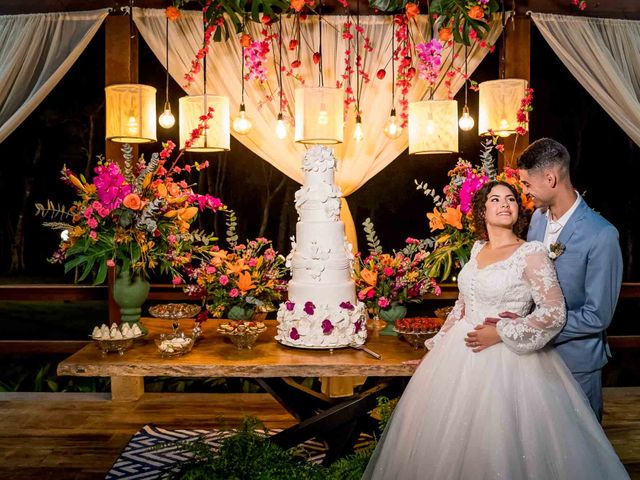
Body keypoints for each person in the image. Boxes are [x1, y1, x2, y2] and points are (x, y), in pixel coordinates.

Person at [362, 181, 628, 480]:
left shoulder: (532, 253)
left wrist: (502, 331)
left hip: (510, 363)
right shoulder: (477, 249)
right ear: (482, 210)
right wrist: (435, 349)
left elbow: (554, 312)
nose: (505, 204)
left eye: (511, 199)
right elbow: (462, 305)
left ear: (518, 209)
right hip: (457, 359)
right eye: (496, 199)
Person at [513, 137, 622, 420]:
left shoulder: (602, 235)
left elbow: (597, 316)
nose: (525, 192)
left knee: (582, 454)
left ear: (550, 178)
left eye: (527, 184)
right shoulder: (537, 221)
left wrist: (536, 327)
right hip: (535, 362)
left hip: (577, 364)